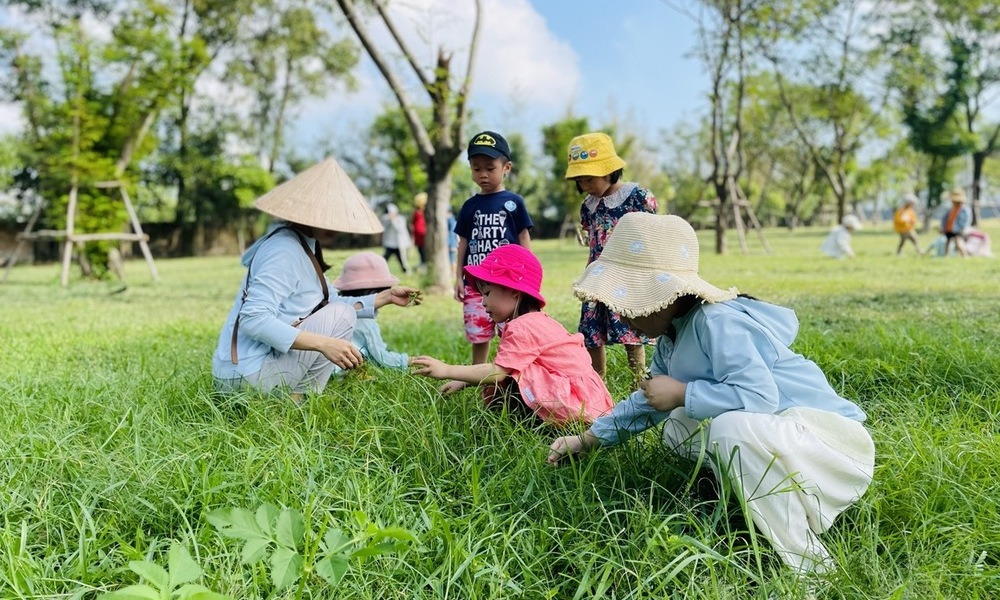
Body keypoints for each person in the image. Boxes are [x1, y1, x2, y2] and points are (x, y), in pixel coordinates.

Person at [548, 213, 875, 575]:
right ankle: (738, 497)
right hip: (788, 441)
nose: (622, 317)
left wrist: (684, 392)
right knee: (677, 423)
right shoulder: (672, 337)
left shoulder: (716, 322)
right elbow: (649, 400)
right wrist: (588, 439)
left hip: (831, 444)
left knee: (726, 429)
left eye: (631, 302)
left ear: (670, 294)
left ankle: (810, 564)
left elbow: (759, 396)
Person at [211, 157, 421, 401]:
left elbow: (331, 304)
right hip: (246, 376)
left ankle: (295, 400)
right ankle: (298, 401)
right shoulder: (284, 250)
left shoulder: (302, 245)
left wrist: (385, 297)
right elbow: (253, 319)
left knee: (341, 314)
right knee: (342, 317)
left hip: (248, 372)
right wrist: (323, 344)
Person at [411, 244, 613, 426]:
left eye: (487, 293)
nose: (483, 302)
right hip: (589, 400)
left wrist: (447, 370)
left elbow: (498, 372)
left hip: (572, 404)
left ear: (514, 292)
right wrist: (465, 381)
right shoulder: (538, 319)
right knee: (515, 367)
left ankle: (526, 424)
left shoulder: (523, 326)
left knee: (513, 372)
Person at [565, 131, 658, 379]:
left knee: (631, 329)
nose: (584, 186)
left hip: (627, 274)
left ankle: (638, 380)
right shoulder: (589, 205)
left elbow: (652, 232)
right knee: (592, 329)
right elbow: (592, 235)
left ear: (608, 170)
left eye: (588, 179)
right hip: (598, 276)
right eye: (580, 181)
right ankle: (598, 380)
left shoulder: (636, 197)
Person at [448, 130, 533, 393]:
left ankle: (511, 377)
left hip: (507, 284)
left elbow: (523, 237)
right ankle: (479, 379)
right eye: (476, 169)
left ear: (506, 167)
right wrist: (458, 278)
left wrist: (526, 274)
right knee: (479, 333)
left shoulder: (513, 202)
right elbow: (463, 242)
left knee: (512, 331)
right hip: (475, 283)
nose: (482, 175)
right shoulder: (469, 206)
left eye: (490, 168)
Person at [333, 252, 411, 370]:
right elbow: (382, 358)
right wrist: (409, 361)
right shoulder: (366, 322)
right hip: (340, 370)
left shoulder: (335, 309)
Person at [380, 203, 412, 274]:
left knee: (402, 260)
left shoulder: (401, 219)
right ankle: (379, 271)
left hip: (398, 244)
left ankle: (407, 272)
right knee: (384, 260)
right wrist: (390, 218)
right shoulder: (386, 219)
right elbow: (382, 221)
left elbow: (399, 229)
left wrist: (393, 220)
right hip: (389, 244)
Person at [941, 188, 972, 257]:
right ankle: (946, 255)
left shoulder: (964, 209)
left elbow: (966, 220)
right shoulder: (951, 209)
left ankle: (965, 255)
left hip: (957, 228)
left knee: (958, 241)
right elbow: (945, 218)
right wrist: (943, 227)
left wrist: (962, 228)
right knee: (948, 241)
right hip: (949, 228)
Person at [410, 192, 428, 269]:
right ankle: (423, 265)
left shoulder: (418, 213)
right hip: (421, 236)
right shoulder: (419, 213)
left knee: (422, 252)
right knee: (422, 252)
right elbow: (418, 226)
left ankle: (423, 264)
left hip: (421, 236)